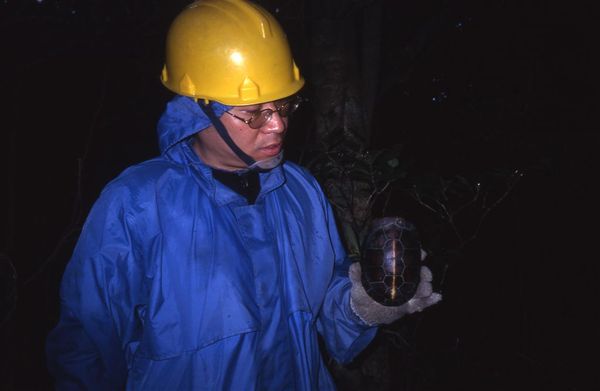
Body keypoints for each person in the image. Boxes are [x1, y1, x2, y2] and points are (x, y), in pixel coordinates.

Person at [46, 1, 441, 389]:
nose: (277, 126)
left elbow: (323, 307)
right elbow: (85, 348)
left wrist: (364, 304)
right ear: (197, 110)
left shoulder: (300, 191)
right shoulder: (136, 203)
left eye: (285, 105)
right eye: (255, 112)